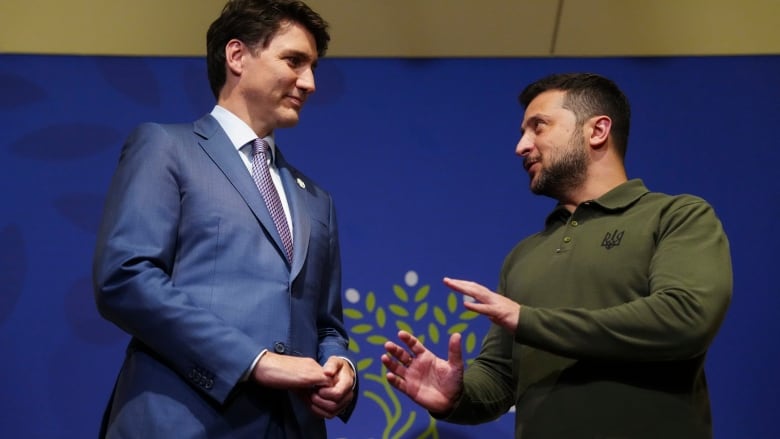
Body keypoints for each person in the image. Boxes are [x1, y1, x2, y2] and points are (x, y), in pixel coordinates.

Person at [382, 73, 732, 438]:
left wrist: (530, 321)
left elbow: (685, 317)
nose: (521, 146)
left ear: (597, 131)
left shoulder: (677, 216)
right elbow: (501, 377)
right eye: (523, 131)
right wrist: (457, 395)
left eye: (539, 127)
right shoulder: (524, 255)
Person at [92, 1, 356, 437]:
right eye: (294, 61)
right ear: (237, 56)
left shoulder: (317, 199)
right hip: (181, 421)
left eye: (313, 67)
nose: (309, 82)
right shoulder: (165, 147)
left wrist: (340, 368)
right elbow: (125, 278)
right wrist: (254, 360)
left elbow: (327, 324)